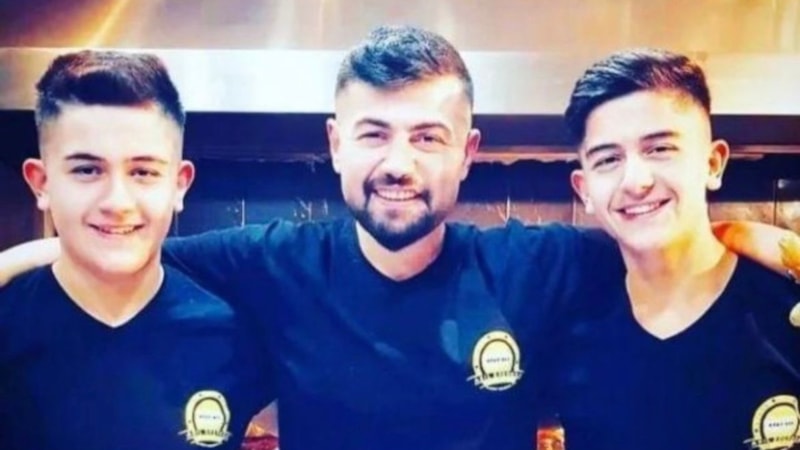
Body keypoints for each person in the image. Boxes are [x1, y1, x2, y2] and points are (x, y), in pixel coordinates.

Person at [0, 27, 796, 450]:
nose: (398, 164)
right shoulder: (271, 262)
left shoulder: (541, 262)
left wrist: (763, 241)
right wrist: (29, 254)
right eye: (374, 133)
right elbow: (127, 238)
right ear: (336, 144)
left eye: (427, 137)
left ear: (468, 152)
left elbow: (661, 243)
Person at [0, 50, 274, 449]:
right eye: (87, 170)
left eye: (143, 172)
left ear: (179, 185)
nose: (117, 201)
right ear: (41, 183)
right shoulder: (7, 327)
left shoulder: (235, 336)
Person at [538, 48, 800, 450]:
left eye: (659, 149)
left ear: (713, 164)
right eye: (608, 159)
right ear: (584, 189)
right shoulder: (566, 321)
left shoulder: (787, 312)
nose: (636, 181)